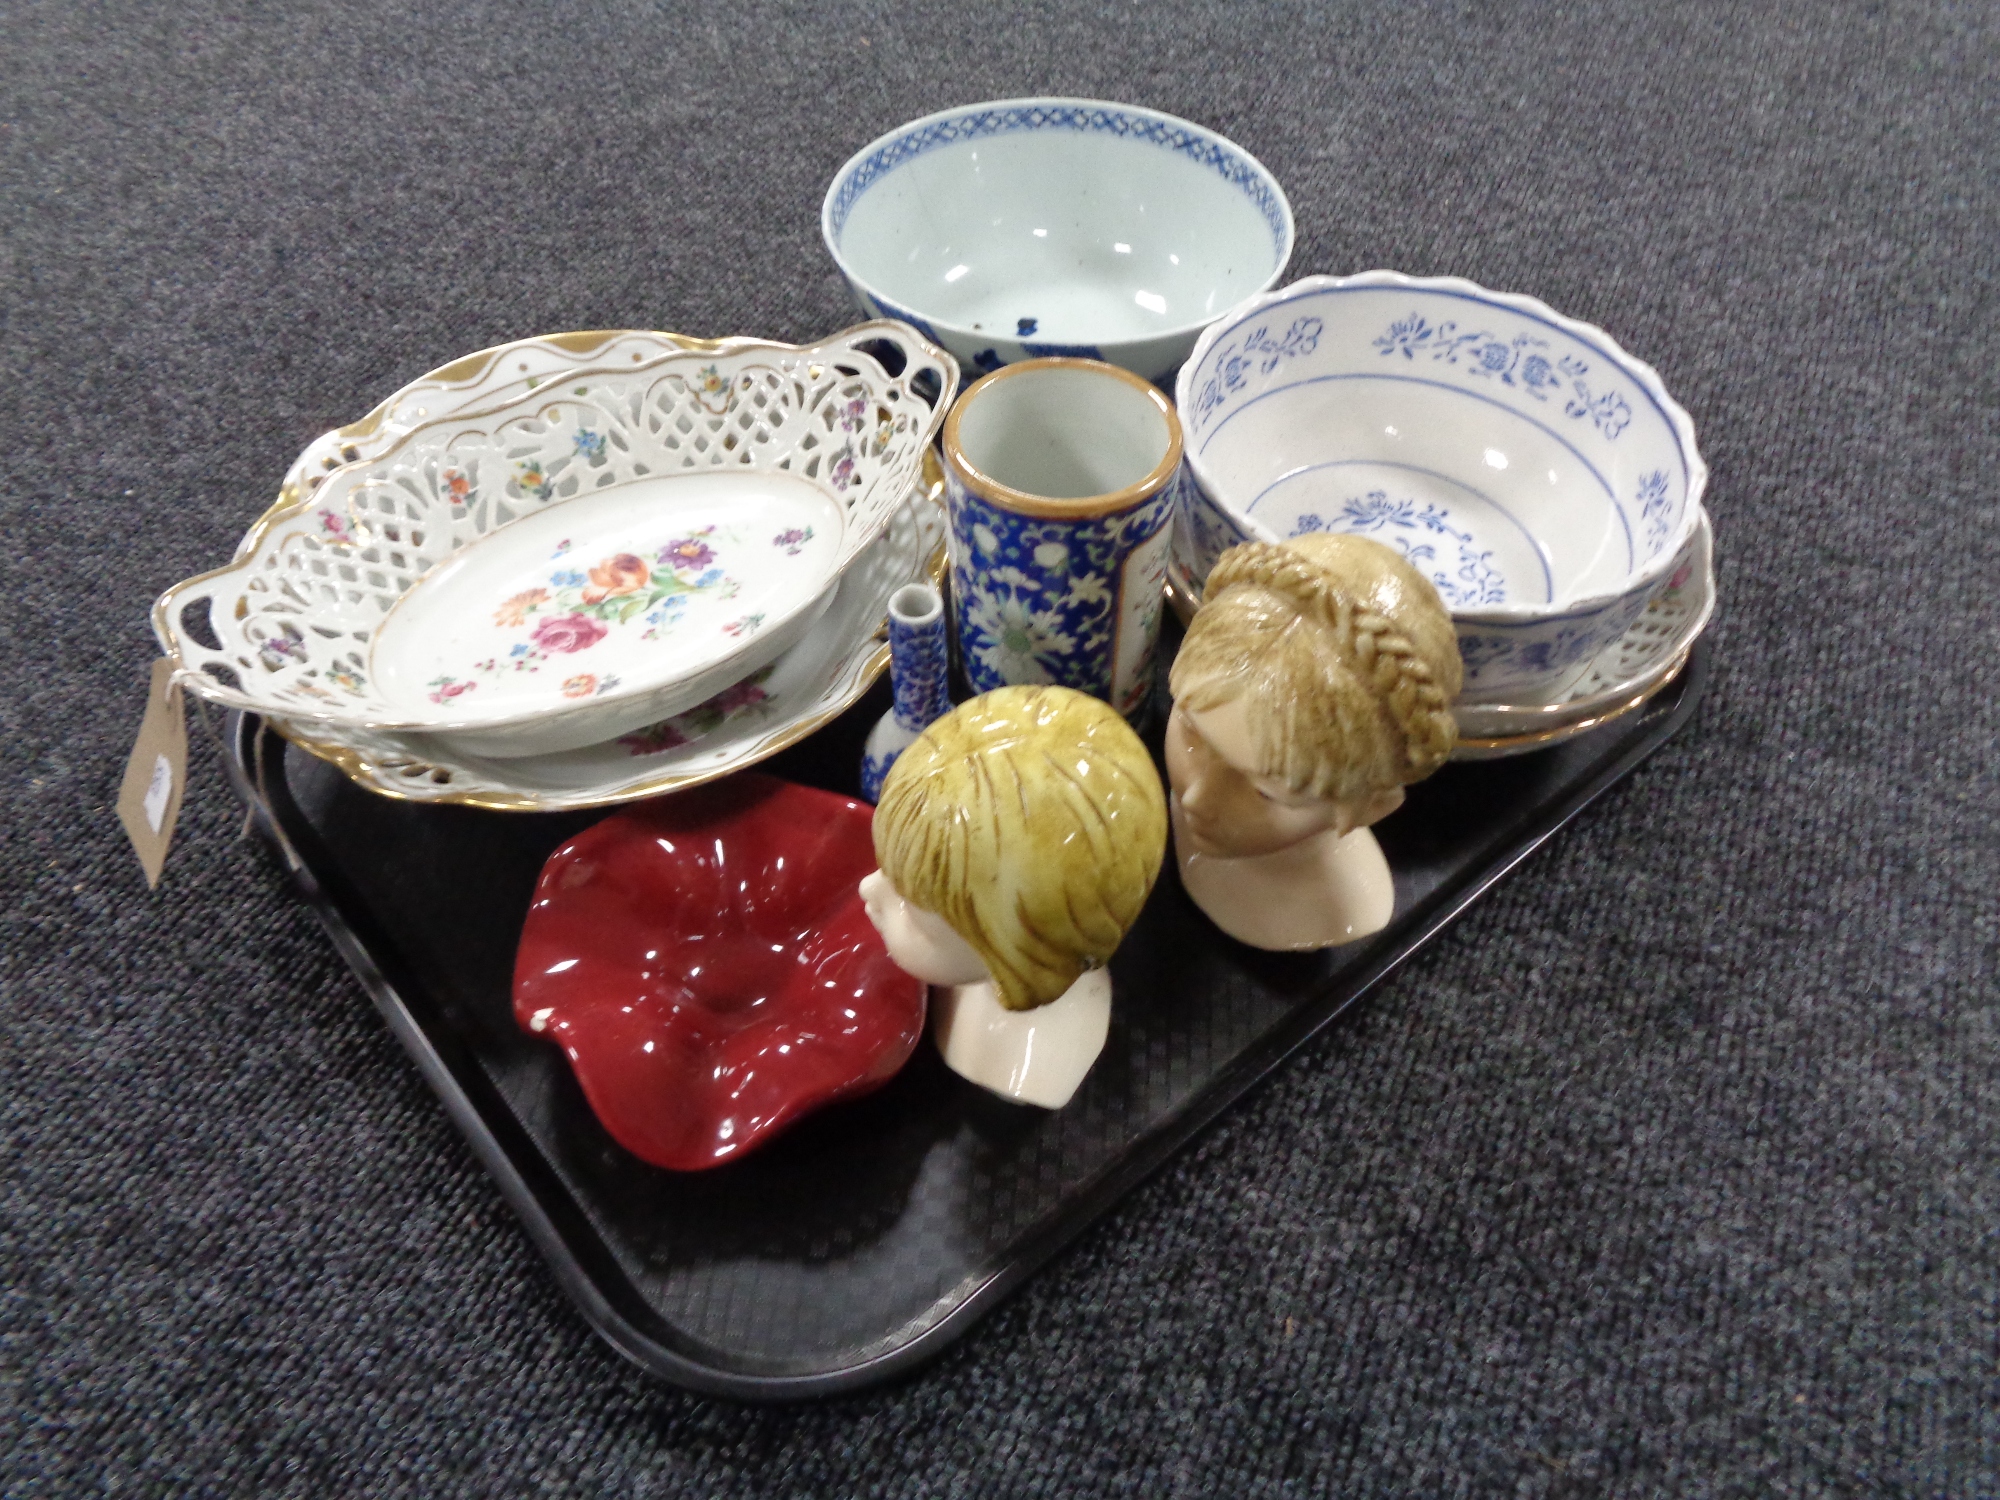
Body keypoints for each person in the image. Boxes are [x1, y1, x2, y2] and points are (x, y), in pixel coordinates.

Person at [860, 684, 1168, 1107]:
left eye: (914, 915)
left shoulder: (1033, 1064)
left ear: (1028, 958)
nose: (867, 890)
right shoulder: (972, 960)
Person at [1165, 533, 1462, 950]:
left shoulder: (1344, 909)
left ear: (1372, 809)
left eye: (1265, 793)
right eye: (1192, 735)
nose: (1195, 798)